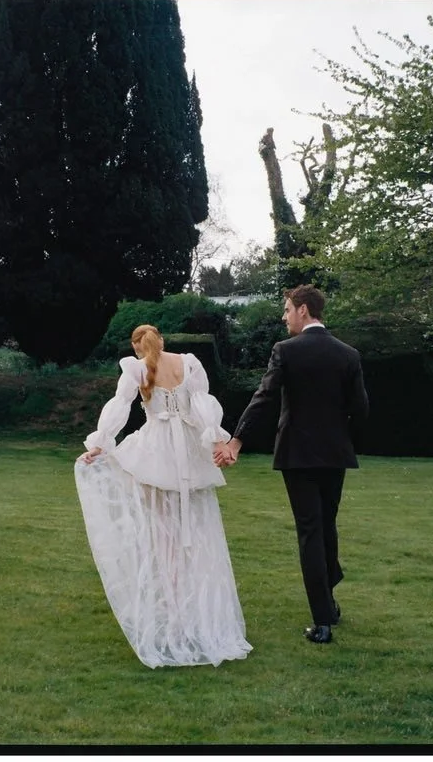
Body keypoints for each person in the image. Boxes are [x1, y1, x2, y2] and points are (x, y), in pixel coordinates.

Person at [74, 324, 252, 668]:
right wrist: (218, 443)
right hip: (189, 453)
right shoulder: (189, 363)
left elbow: (120, 405)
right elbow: (203, 411)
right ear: (162, 340)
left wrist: (100, 443)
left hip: (155, 454)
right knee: (196, 533)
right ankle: (191, 611)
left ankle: (173, 610)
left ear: (137, 346)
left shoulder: (137, 368)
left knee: (162, 537)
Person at [215, 285, 368, 645]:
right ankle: (329, 601)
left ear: (303, 310)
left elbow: (264, 397)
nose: (284, 317)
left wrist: (237, 440)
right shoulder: (349, 354)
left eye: (286, 310)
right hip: (334, 455)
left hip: (297, 455)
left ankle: (322, 622)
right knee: (326, 526)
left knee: (311, 531)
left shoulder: (285, 350)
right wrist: (341, 439)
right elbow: (361, 409)